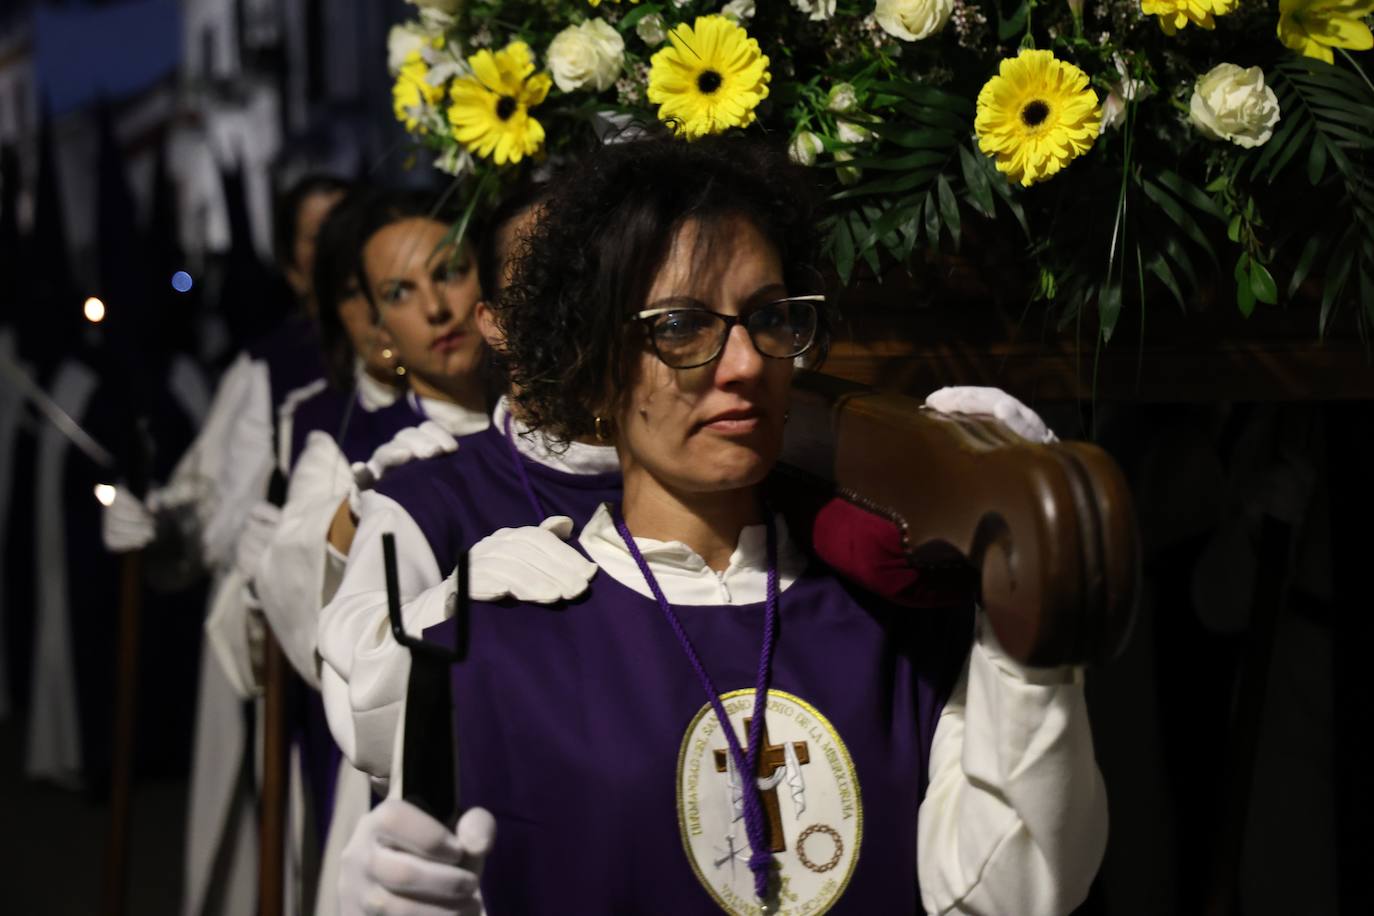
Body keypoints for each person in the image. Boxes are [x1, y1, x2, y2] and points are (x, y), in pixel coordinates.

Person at [340, 134, 1107, 916]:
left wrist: (1029, 599)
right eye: (680, 325)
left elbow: (1012, 895)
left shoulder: (894, 619)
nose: (744, 364)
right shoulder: (503, 641)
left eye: (768, 317)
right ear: (593, 365)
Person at [97, 172, 349, 916]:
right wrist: (160, 528)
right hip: (281, 659)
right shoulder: (268, 369)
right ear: (293, 264)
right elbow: (206, 508)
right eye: (318, 236)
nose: (338, 249)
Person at [316, 181, 622, 784]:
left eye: (597, 278)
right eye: (543, 283)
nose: (576, 307)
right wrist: (447, 604)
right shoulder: (420, 494)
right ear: (494, 320)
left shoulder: (697, 472)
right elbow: (359, 701)